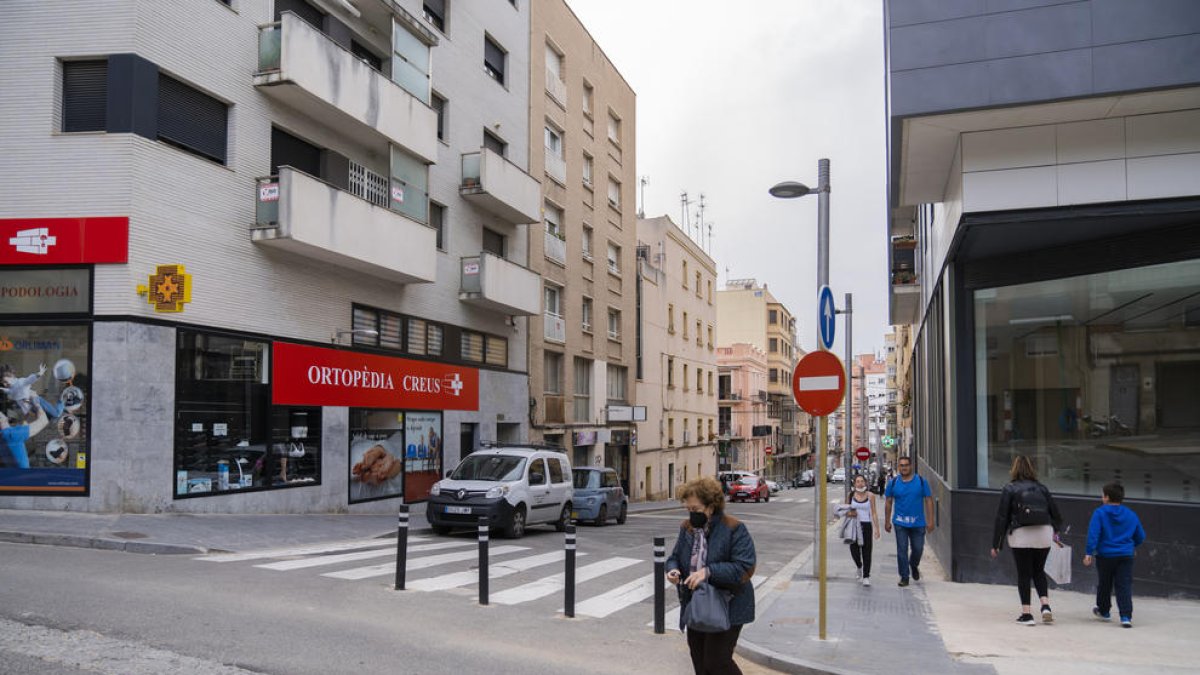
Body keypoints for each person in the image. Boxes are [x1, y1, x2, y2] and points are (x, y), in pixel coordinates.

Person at [666, 476, 756, 675]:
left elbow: (744, 567)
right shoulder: (687, 528)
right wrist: (673, 570)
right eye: (688, 509)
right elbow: (674, 557)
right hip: (696, 603)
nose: (692, 514)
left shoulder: (733, 528)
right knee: (699, 662)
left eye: (696, 510)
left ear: (711, 506)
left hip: (728, 604)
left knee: (717, 662)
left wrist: (709, 572)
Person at [990, 455, 1064, 626]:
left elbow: (1002, 517)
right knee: (1039, 570)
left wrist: (997, 544)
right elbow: (1056, 515)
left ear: (1014, 469)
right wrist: (1056, 533)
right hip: (1044, 533)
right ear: (1032, 469)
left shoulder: (1010, 488)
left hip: (1021, 534)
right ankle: (1045, 606)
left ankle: (1027, 615)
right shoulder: (1042, 488)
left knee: (1024, 574)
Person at [1083, 482, 1145, 628]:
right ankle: (1125, 616)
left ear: (1107, 497)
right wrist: (1132, 545)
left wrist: (1088, 552)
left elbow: (1093, 534)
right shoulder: (1131, 514)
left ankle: (1104, 611)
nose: (1101, 497)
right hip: (1125, 555)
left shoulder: (1099, 513)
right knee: (1124, 585)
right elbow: (1140, 535)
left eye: (1103, 495)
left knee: (1105, 583)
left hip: (1105, 555)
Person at [884, 455, 934, 587]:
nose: (904, 468)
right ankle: (904, 576)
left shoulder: (921, 482)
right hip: (900, 523)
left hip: (918, 523)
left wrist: (931, 520)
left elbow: (929, 500)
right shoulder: (893, 483)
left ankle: (914, 565)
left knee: (918, 549)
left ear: (911, 466)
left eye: (906, 465)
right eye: (901, 465)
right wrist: (887, 521)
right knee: (902, 550)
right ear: (898, 467)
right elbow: (888, 502)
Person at [844, 474, 880, 586]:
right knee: (854, 550)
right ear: (855, 484)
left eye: (862, 481)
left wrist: (877, 529)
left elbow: (873, 512)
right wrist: (850, 513)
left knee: (867, 551)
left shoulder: (870, 496)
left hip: (866, 525)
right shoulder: (850, 495)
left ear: (865, 483)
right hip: (854, 525)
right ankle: (859, 566)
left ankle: (866, 576)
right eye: (858, 481)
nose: (860, 483)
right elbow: (846, 510)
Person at [0, 403, 50, 469]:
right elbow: (44, 421)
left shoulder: (8, 434)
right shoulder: (12, 434)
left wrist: (27, 416)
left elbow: (21, 429)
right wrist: (37, 404)